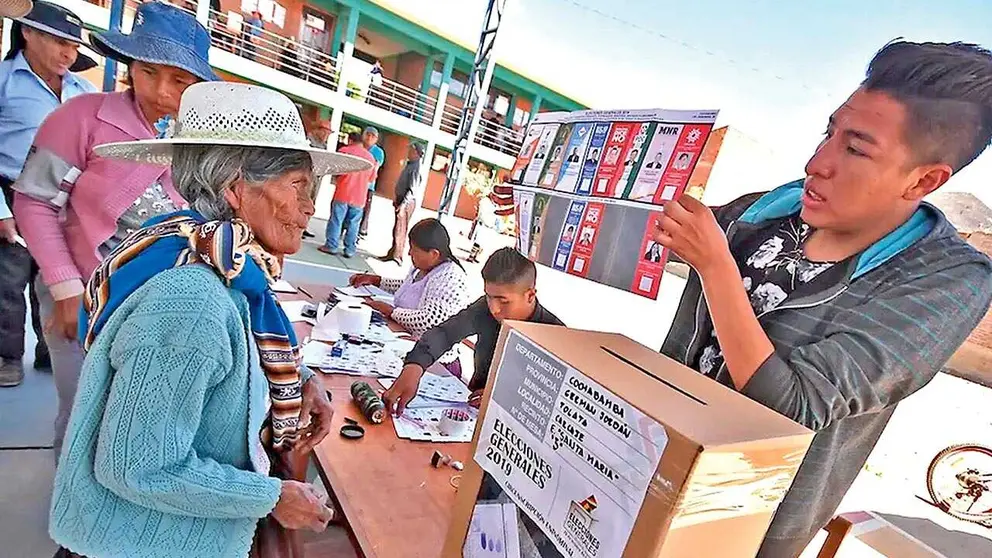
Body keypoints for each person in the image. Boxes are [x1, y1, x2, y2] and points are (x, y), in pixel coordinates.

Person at [652, 41, 992, 557]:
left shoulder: (946, 281)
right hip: (647, 449)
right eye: (828, 133)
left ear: (924, 179)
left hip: (742, 522)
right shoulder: (774, 208)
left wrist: (716, 267)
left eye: (855, 149)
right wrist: (540, 199)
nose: (818, 163)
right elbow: (662, 231)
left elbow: (795, 406)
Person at [47, 82, 371, 558]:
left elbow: (240, 347)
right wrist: (272, 498)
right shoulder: (193, 302)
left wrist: (301, 380)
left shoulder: (220, 264)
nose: (310, 208)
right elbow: (136, 467)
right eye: (298, 186)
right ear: (237, 190)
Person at [12, 1, 213, 459]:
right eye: (148, 72)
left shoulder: (199, 141)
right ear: (130, 68)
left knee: (132, 417)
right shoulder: (82, 116)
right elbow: (35, 202)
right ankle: (70, 515)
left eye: (180, 79)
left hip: (158, 304)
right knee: (83, 410)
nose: (162, 91)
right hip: (83, 292)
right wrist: (65, 290)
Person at [0, 1, 97, 387]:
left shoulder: (84, 92)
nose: (68, 54)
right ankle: (6, 357)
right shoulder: (4, 81)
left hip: (67, 200)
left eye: (74, 46)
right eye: (59, 41)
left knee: (61, 278)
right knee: (8, 282)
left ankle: (49, 351)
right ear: (27, 33)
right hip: (12, 193)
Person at [383, 247, 563, 414]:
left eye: (503, 301)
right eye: (489, 296)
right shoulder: (485, 308)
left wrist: (506, 397)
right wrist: (414, 366)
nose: (494, 309)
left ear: (530, 295)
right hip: (469, 407)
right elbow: (446, 333)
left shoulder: (556, 335)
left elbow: (554, 397)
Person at [351, 218, 470, 371]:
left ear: (434, 254)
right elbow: (409, 288)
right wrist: (375, 280)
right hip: (409, 344)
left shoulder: (450, 277)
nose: (409, 253)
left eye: (413, 249)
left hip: (435, 361)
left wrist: (390, 311)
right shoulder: (422, 267)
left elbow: (429, 321)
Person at [318, 132, 375, 258]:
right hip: (360, 196)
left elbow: (336, 170)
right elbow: (371, 179)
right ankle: (349, 249)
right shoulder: (370, 158)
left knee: (336, 221)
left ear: (350, 140)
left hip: (343, 192)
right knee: (354, 223)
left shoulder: (344, 151)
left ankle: (331, 246)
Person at [380, 142, 424, 265]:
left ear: (416, 152)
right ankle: (392, 253)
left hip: (407, 201)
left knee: (401, 229)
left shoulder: (416, 168)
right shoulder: (410, 165)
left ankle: (397, 256)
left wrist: (403, 205)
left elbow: (412, 189)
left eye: (411, 150)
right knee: (396, 228)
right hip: (401, 199)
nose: (408, 151)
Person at [359, 126, 384, 238]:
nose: (369, 137)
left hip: (368, 185)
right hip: (356, 184)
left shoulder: (378, 152)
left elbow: (375, 168)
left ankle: (361, 230)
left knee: (364, 209)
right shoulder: (359, 147)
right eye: (367, 134)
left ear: (376, 139)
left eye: (372, 136)